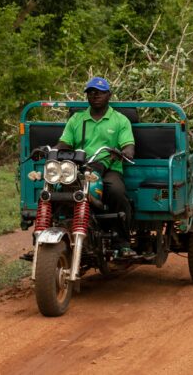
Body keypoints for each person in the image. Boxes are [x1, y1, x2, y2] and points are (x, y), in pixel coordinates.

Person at [58, 76, 135, 257]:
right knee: (55, 190)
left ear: (109, 95)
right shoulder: (77, 119)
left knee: (116, 192)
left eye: (99, 92)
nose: (95, 95)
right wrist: (49, 151)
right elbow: (63, 144)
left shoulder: (120, 120)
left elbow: (129, 146)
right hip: (79, 168)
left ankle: (122, 242)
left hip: (109, 168)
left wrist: (125, 152)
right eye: (91, 92)